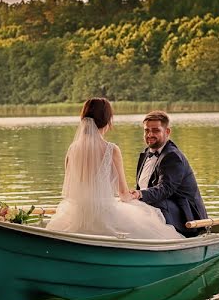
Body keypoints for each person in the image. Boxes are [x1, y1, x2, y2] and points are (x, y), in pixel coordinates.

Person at [46, 98, 182, 239]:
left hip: (75, 213)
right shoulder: (111, 150)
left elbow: (70, 191)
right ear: (108, 120)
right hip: (103, 214)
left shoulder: (72, 149)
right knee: (149, 220)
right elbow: (123, 194)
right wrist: (133, 197)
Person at [129, 110, 208, 237]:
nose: (150, 134)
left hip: (185, 218)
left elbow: (165, 189)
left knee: (149, 201)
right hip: (158, 212)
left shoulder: (172, 156)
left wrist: (139, 194)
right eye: (146, 130)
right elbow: (143, 188)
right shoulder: (146, 154)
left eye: (155, 130)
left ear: (167, 132)